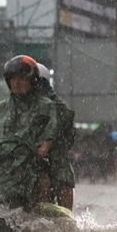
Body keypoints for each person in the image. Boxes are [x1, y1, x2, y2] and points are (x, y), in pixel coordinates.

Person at [0, 55, 58, 210]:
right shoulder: (1, 108)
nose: (17, 82)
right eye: (13, 79)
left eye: (21, 78)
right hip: (0, 162)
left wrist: (45, 146)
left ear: (32, 80)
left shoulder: (45, 106)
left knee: (43, 180)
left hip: (29, 163)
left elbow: (51, 129)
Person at [35, 63, 76, 210]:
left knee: (64, 184)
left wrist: (49, 145)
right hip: (30, 160)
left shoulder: (57, 106)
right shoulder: (16, 106)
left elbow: (67, 135)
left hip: (57, 159)